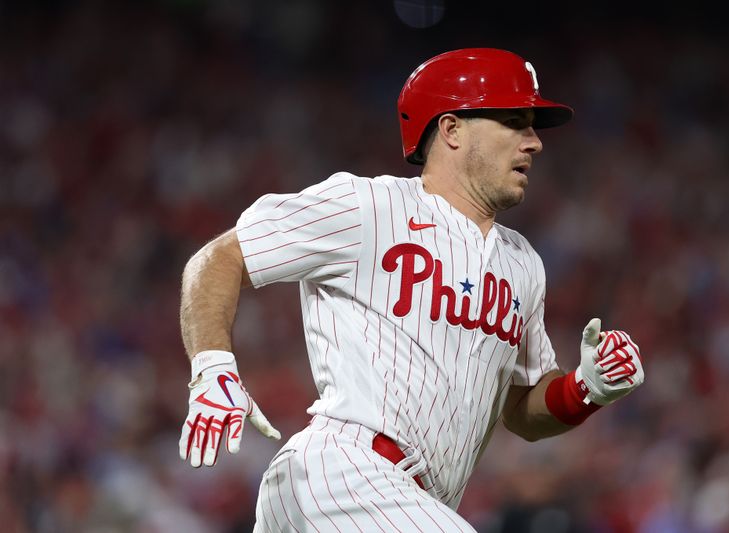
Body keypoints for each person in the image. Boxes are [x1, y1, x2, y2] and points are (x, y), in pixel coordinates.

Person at [178, 48, 645, 532]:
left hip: (406, 502)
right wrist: (212, 369)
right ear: (452, 129)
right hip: (342, 474)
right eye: (513, 121)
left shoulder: (523, 263)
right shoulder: (369, 205)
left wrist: (585, 389)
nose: (533, 143)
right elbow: (221, 257)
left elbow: (523, 409)